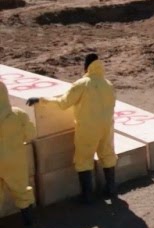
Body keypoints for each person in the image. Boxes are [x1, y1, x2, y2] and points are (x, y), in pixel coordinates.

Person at [27, 53, 116, 204]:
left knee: (83, 159)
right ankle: (111, 189)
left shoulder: (82, 84)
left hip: (88, 128)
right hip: (107, 126)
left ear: (86, 66)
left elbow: (63, 102)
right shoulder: (108, 84)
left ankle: (87, 196)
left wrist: (41, 100)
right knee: (107, 155)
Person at [0, 82, 38, 228]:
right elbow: (31, 134)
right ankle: (29, 225)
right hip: (15, 161)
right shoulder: (18, 114)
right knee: (22, 191)